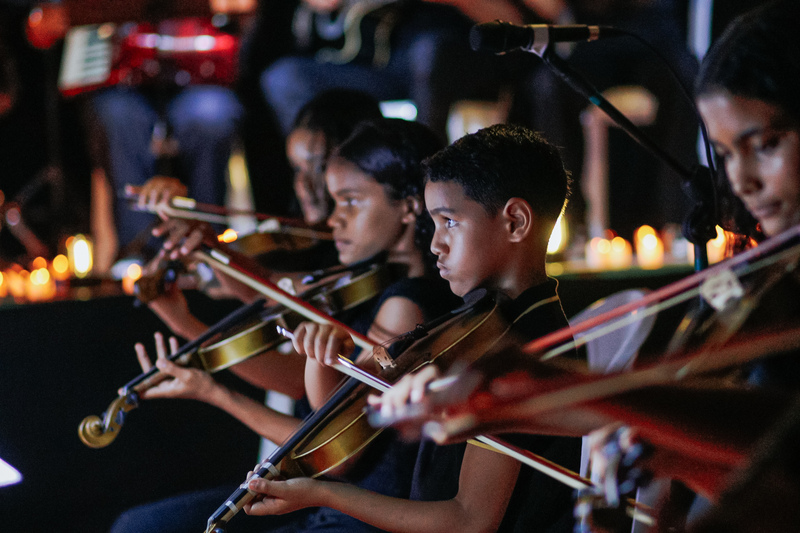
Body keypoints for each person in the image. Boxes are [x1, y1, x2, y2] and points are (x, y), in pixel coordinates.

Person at [109, 116, 457, 533]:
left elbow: (334, 453)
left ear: (409, 206)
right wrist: (207, 257)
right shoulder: (375, 278)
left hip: (354, 516)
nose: (333, 219)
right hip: (325, 501)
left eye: (350, 202)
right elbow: (271, 290)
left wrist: (212, 389)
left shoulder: (405, 305)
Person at [243, 123, 583, 532]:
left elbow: (469, 521)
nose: (436, 243)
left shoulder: (519, 348)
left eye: (449, 222)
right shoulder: (485, 322)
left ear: (515, 221)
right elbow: (344, 420)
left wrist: (321, 494)